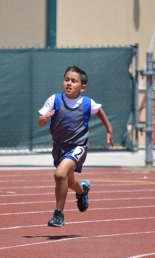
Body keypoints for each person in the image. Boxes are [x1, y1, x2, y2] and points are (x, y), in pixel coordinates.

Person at [38, 66, 114, 227]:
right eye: (66, 79)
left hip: (78, 147)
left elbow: (99, 110)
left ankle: (59, 214)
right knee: (69, 181)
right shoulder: (55, 99)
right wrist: (43, 119)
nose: (69, 83)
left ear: (82, 87)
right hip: (59, 147)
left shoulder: (87, 103)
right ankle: (82, 192)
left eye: (74, 81)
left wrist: (109, 129)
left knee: (60, 175)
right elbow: (40, 121)